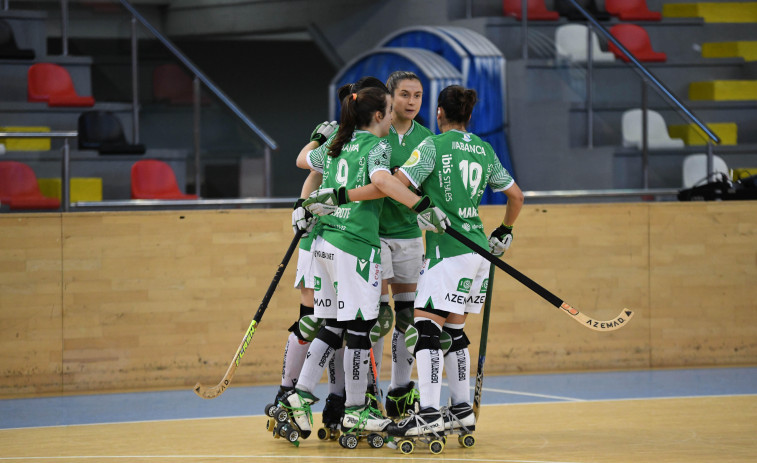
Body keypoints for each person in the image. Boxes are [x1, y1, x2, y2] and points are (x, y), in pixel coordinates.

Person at [308, 85, 524, 445]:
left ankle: (426, 414)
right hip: (478, 251)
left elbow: (393, 185)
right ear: (469, 116)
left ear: (438, 113)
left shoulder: (432, 146)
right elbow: (516, 196)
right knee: (454, 332)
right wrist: (505, 230)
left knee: (424, 329)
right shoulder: (485, 150)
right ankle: (460, 409)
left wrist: (346, 194)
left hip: (447, 253)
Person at [282, 83, 395, 439]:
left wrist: (317, 136)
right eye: (390, 110)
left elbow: (303, 159)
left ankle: (299, 397)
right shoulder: (378, 146)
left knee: (330, 325)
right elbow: (380, 184)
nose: (393, 116)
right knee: (359, 331)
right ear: (378, 115)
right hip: (355, 247)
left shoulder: (336, 144)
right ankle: (356, 410)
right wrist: (417, 203)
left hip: (326, 243)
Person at [376, 71, 433, 418]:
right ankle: (369, 390)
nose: (411, 102)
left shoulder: (427, 140)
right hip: (374, 234)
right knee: (378, 317)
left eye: (418, 96)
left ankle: (399, 389)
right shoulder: (374, 134)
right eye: (405, 95)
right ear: (390, 97)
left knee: (407, 317)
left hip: (410, 236)